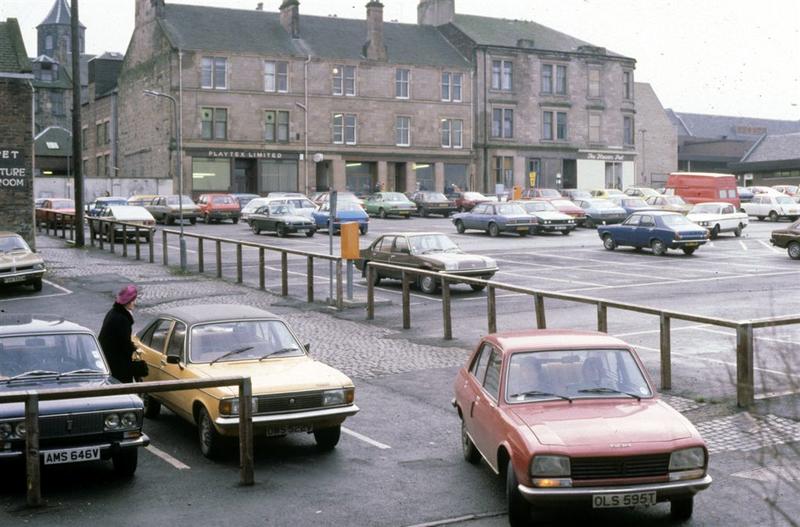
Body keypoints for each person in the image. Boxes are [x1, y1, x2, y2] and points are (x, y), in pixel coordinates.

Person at [98, 285, 139, 383]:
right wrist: (134, 349)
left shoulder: (113, 312)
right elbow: (124, 343)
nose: (135, 303)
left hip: (107, 358)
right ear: (127, 302)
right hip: (117, 363)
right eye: (133, 300)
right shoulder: (123, 319)